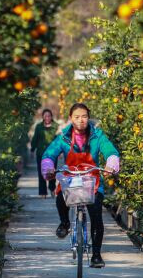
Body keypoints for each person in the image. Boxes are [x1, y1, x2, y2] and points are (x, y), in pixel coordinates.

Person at [41, 103, 120, 268]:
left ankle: (96, 255)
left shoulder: (97, 136)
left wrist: (111, 162)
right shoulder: (63, 137)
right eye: (77, 117)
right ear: (71, 118)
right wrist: (48, 166)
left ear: (88, 117)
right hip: (70, 180)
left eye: (84, 116)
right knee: (60, 198)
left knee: (96, 217)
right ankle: (65, 223)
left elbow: (109, 150)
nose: (81, 120)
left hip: (92, 182)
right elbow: (50, 153)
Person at [30, 108, 58, 198]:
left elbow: (58, 141)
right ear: (42, 117)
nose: (47, 118)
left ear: (51, 117)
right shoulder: (39, 126)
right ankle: (43, 192)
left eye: (49, 116)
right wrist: (32, 149)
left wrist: (60, 152)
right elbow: (35, 139)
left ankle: (52, 189)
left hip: (52, 154)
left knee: (52, 173)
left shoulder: (56, 126)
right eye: (45, 116)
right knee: (41, 173)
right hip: (41, 153)